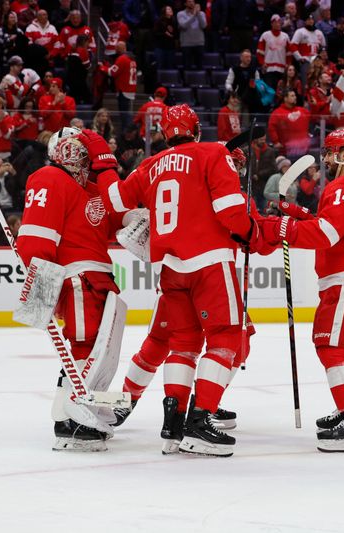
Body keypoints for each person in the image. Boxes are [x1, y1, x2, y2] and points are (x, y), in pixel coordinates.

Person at [96, 104, 261, 457]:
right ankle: (200, 420)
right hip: (209, 263)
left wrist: (106, 163)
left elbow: (114, 201)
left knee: (182, 344)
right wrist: (252, 233)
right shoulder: (213, 152)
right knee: (226, 338)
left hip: (170, 268)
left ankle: (174, 423)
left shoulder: (150, 165)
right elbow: (232, 211)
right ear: (197, 129)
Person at [257, 128, 344, 452]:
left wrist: (284, 227)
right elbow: (334, 224)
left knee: (331, 345)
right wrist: (299, 214)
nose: (327, 158)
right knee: (332, 343)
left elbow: (327, 234)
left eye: (332, 152)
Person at [17, 128, 122, 451]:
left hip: (101, 277)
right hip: (78, 277)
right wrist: (41, 286)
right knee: (84, 343)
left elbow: (117, 218)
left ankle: (82, 410)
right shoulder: (49, 177)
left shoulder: (90, 188)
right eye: (85, 159)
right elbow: (35, 239)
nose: (88, 166)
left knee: (100, 351)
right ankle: (70, 421)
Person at [267, 89, 310, 159]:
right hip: (286, 151)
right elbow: (272, 128)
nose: (295, 97)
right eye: (292, 96)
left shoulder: (303, 110)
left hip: (304, 150)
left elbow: (314, 119)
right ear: (285, 98)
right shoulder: (277, 113)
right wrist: (276, 141)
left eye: (295, 95)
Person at [108, 41, 137, 130]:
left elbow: (112, 72)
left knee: (124, 115)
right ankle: (128, 131)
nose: (115, 49)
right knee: (127, 113)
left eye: (117, 47)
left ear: (121, 48)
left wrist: (103, 67)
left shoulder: (122, 58)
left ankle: (126, 132)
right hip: (130, 89)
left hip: (124, 89)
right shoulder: (132, 58)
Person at [257, 14, 291, 89]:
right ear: (271, 23)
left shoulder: (285, 36)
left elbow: (289, 53)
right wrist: (262, 63)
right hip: (268, 69)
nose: (277, 24)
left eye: (279, 22)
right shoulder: (265, 35)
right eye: (275, 22)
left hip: (281, 69)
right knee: (270, 91)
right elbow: (259, 52)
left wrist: (287, 64)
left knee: (280, 91)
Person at [176, 0, 206, 71]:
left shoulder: (201, 13)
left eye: (193, 1)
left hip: (199, 43)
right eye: (189, 1)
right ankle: (187, 81)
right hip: (186, 44)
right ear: (185, 3)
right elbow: (184, 26)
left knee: (200, 66)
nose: (191, 3)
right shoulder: (180, 14)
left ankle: (200, 81)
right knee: (187, 66)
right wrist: (194, 16)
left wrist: (198, 14)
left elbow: (204, 26)